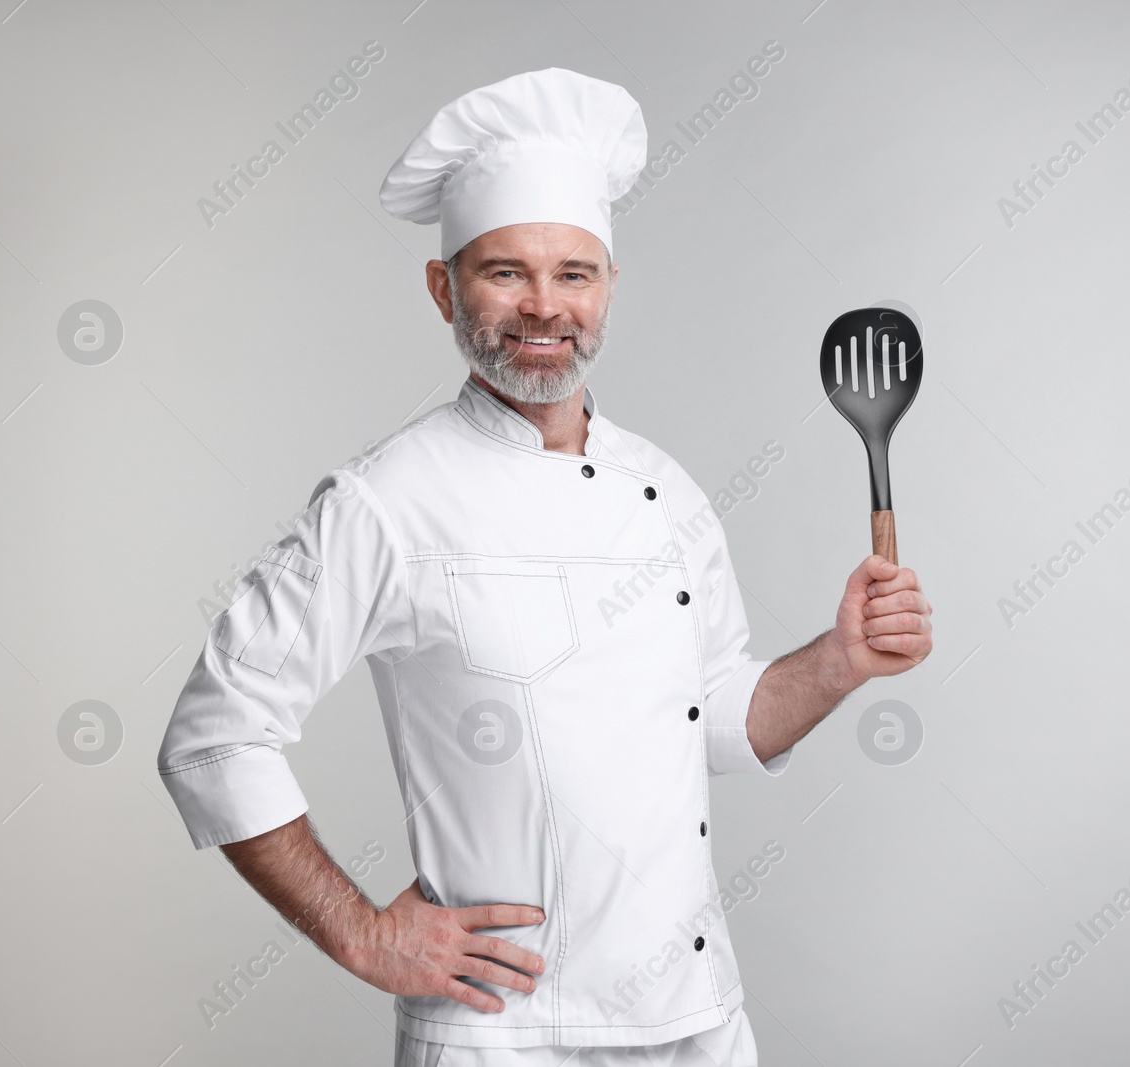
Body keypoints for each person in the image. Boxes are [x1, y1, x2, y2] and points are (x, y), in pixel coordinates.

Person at [157, 67, 933, 1066]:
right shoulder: (387, 499)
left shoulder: (668, 489)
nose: (543, 306)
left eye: (573, 272)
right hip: (507, 1037)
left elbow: (718, 716)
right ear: (443, 288)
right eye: (503, 271)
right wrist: (361, 930)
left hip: (699, 1019)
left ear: (608, 288)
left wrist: (839, 658)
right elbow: (214, 734)